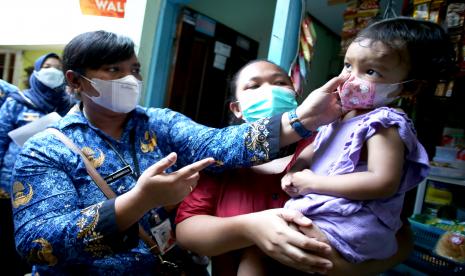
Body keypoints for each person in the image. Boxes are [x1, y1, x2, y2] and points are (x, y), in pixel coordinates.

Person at [10, 30, 344, 275]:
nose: (129, 79)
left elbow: (218, 146)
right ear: (76, 80)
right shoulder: (46, 150)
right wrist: (138, 201)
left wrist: (304, 118)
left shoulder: (160, 123)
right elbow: (37, 243)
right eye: (114, 70)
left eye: (134, 70)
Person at [175, 59, 415, 275]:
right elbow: (187, 231)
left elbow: (398, 232)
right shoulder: (220, 160)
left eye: (280, 82)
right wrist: (251, 228)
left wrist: (344, 267)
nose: (269, 91)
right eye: (253, 86)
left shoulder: (330, 146)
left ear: (295, 95)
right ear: (237, 109)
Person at [276, 17, 455, 270]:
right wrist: (294, 171)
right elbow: (312, 148)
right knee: (263, 246)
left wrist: (312, 182)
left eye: (371, 71)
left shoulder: (383, 123)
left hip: (352, 223)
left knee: (274, 244)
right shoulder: (338, 114)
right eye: (348, 66)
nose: (351, 78)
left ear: (408, 87)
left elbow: (383, 182)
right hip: (324, 209)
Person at [0, 53, 73, 275]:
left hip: (49, 187)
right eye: (47, 66)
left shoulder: (69, 107)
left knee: (37, 238)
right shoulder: (17, 102)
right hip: (9, 186)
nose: (53, 71)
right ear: (37, 71)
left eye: (58, 67)